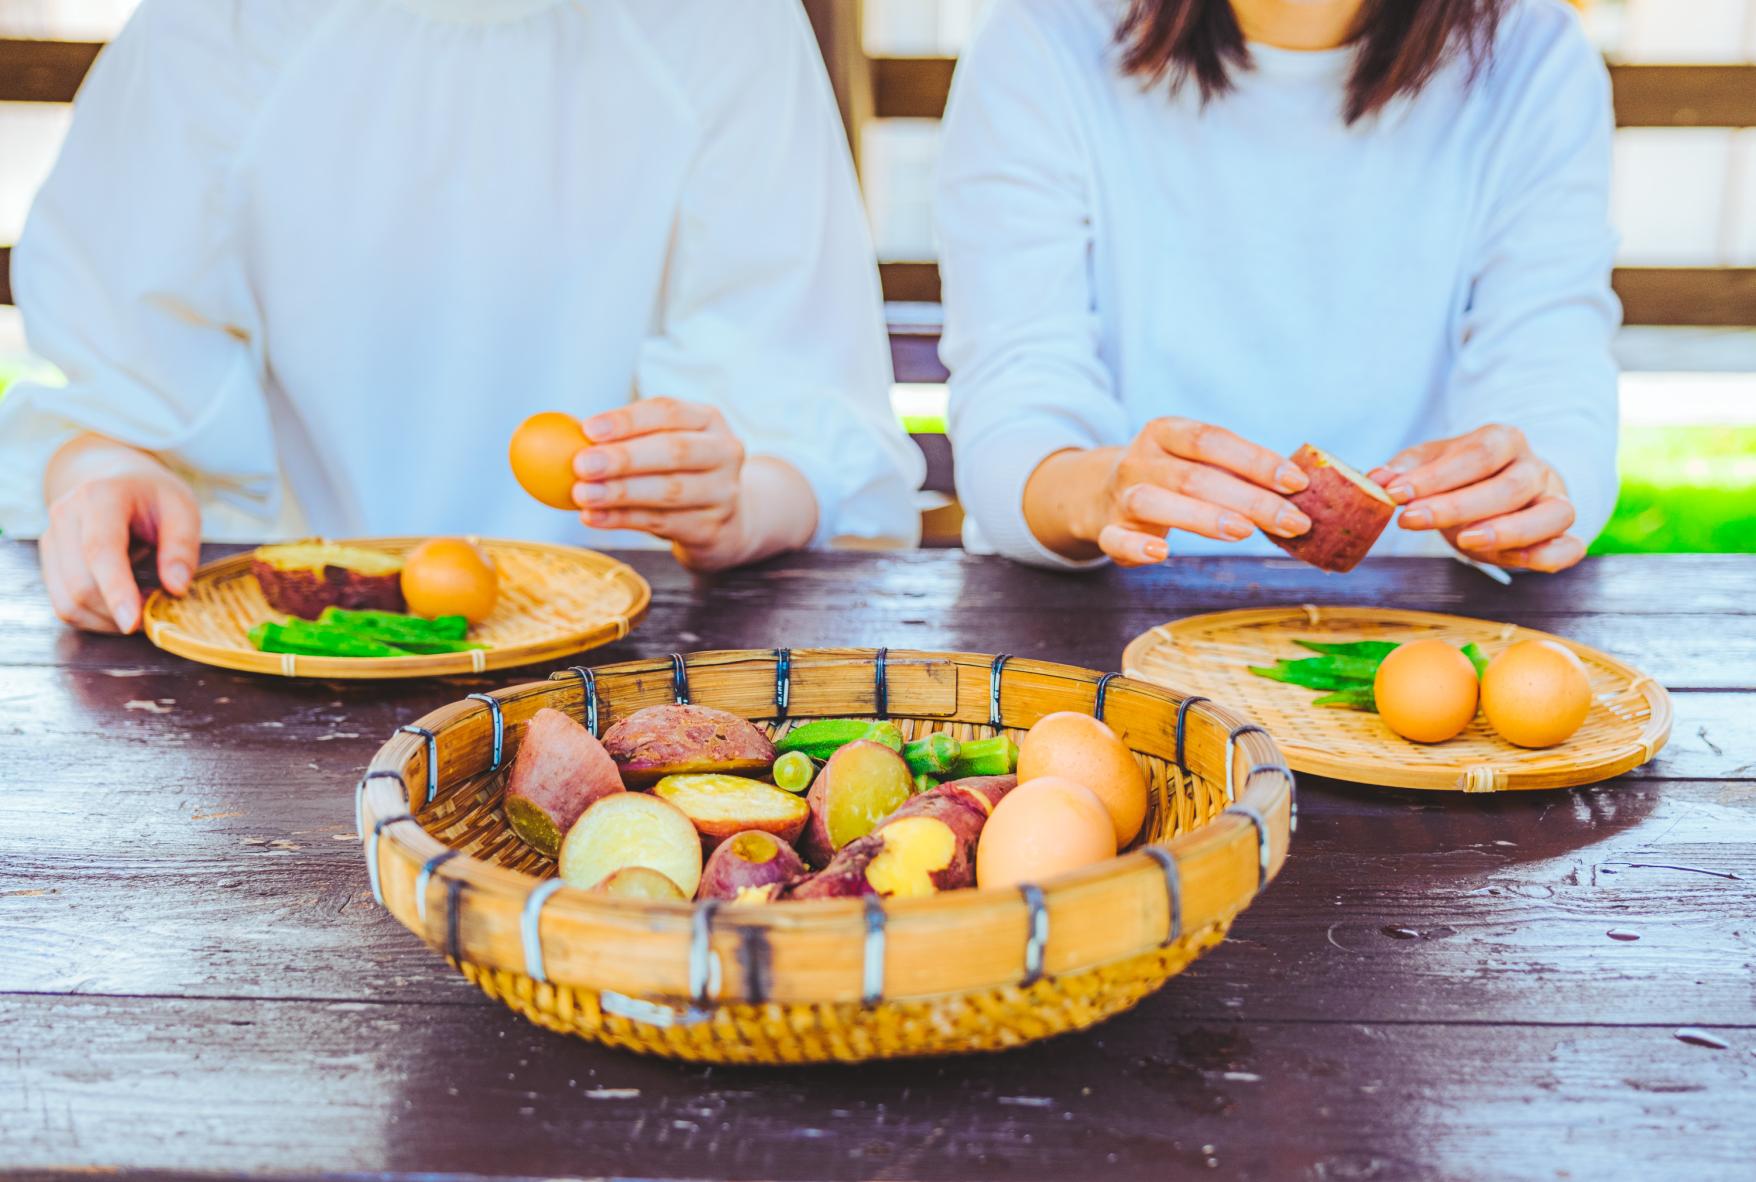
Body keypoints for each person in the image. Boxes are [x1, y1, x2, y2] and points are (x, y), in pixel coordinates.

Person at [3, 0, 923, 635]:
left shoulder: (722, 27)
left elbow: (811, 429)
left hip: (633, 674)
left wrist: (736, 502)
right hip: (286, 658)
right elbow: (108, 394)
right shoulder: (219, 26)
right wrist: (106, 474)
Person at [936, 0, 1618, 572]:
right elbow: (1015, 409)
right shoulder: (1041, 38)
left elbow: (1550, 381)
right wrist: (1100, 492)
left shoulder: (1533, 53)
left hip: (1424, 625)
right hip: (1109, 607)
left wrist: (1536, 488)